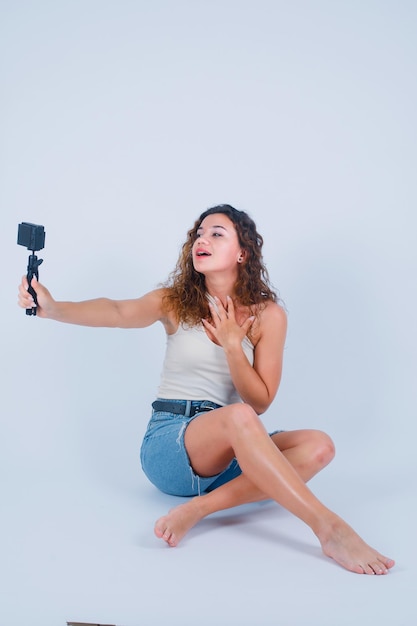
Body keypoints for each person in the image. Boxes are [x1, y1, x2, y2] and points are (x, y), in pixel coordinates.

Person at [18, 204, 394, 575]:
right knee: (240, 418)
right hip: (171, 441)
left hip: (231, 445)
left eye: (217, 233)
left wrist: (233, 345)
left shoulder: (269, 316)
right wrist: (53, 308)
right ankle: (328, 528)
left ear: (242, 252)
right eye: (199, 233)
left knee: (319, 446)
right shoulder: (174, 302)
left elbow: (260, 402)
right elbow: (117, 311)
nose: (203, 239)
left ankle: (200, 509)